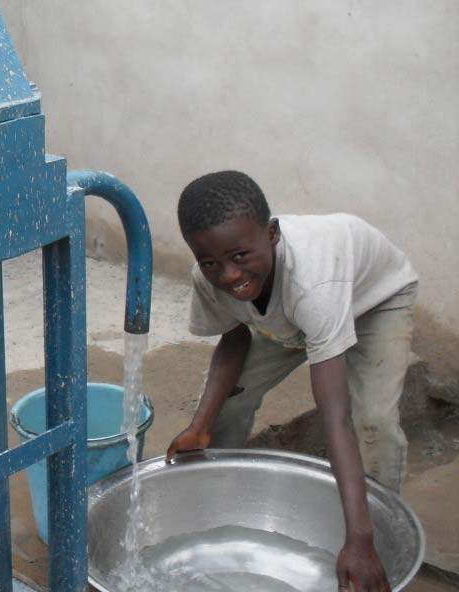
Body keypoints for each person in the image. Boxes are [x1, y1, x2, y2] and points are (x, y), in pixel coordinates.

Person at [165, 170, 417, 592]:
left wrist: (359, 539)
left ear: (273, 233)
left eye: (239, 256)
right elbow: (235, 336)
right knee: (224, 403)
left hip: (375, 301)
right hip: (292, 317)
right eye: (210, 263)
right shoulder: (212, 276)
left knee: (372, 421)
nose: (227, 275)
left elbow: (334, 416)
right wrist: (200, 425)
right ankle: (220, 504)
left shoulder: (312, 281)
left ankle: (372, 540)